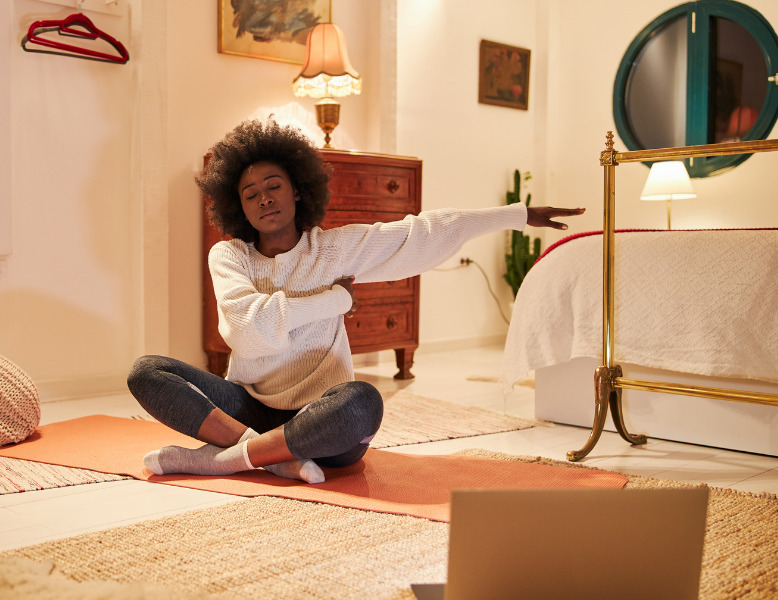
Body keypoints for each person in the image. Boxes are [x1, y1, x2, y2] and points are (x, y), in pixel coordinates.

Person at [127, 119, 582, 484]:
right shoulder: (229, 256)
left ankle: (225, 459)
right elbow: (249, 333)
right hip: (249, 405)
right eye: (251, 194)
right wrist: (334, 300)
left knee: (362, 402)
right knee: (147, 372)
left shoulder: (334, 249)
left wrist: (516, 215)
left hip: (318, 417)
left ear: (297, 189)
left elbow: (423, 232)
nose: (264, 199)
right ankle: (271, 456)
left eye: (274, 185)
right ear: (238, 207)